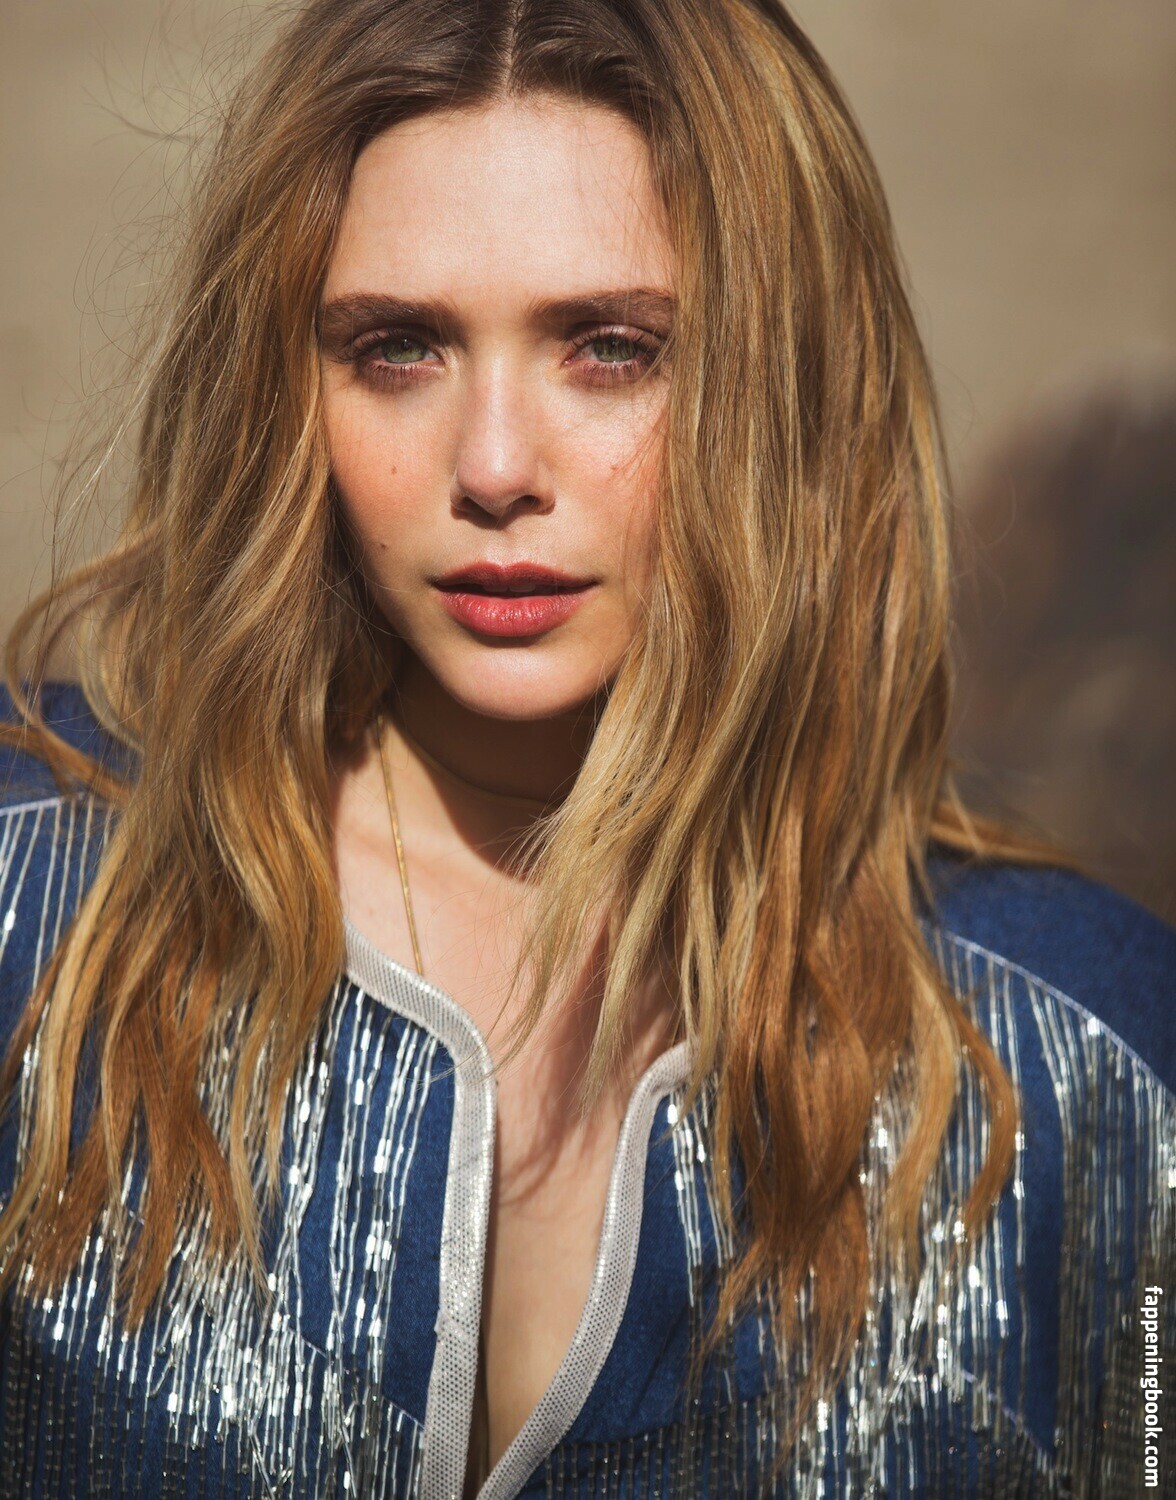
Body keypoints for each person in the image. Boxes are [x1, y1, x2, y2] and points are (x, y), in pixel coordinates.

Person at [0, 0, 1171, 1495]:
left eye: (612, 348)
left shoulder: (1090, 1066)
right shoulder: (32, 904)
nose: (494, 467)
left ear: (789, 385)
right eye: (398, 348)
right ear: (289, 387)